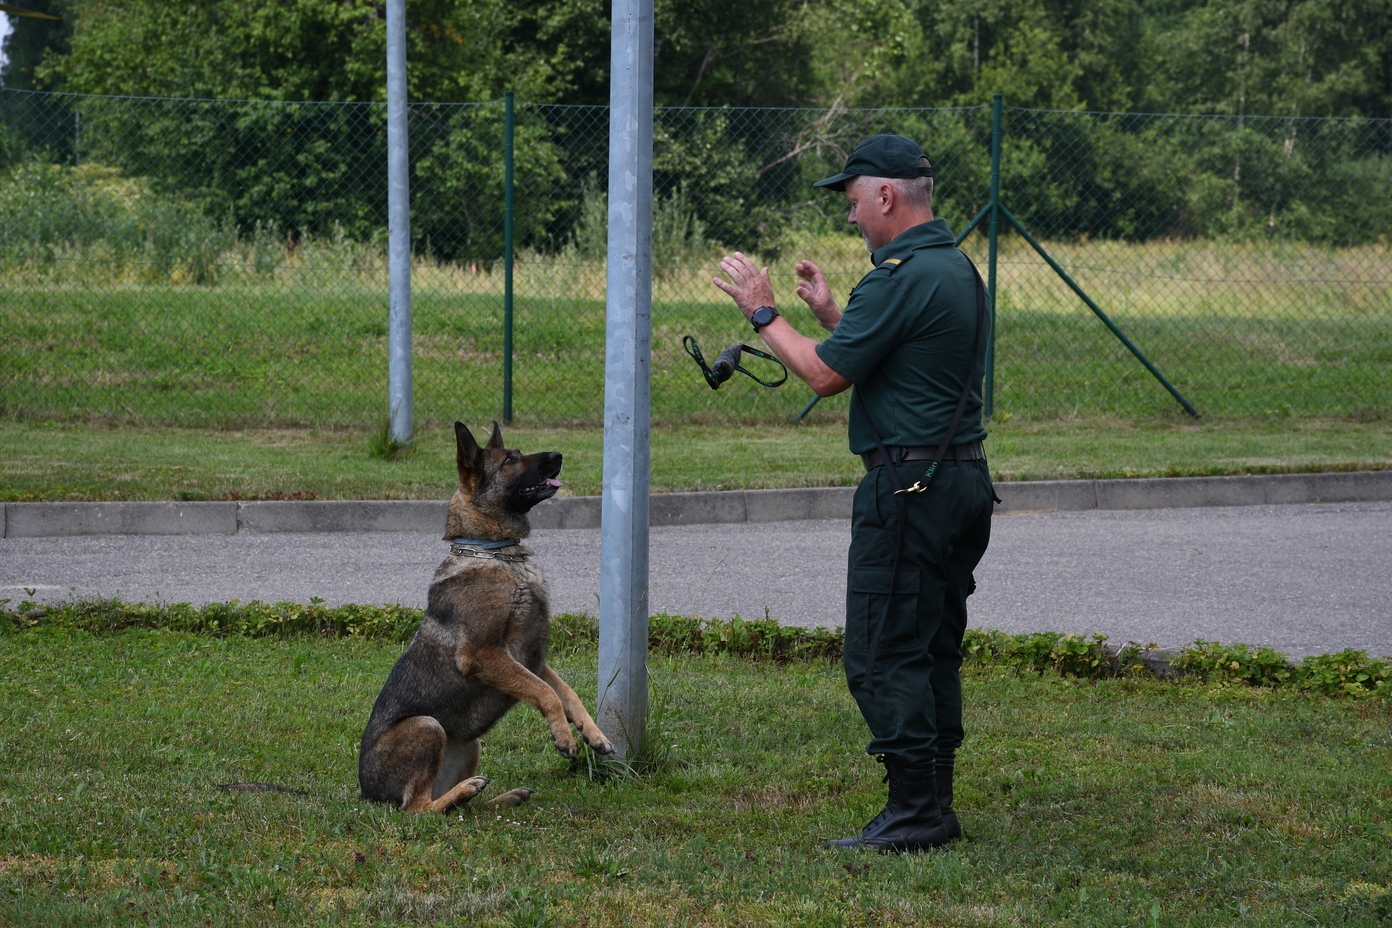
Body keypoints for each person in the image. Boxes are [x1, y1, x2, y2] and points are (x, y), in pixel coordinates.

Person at [712, 134, 996, 853]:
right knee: (931, 648)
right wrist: (835, 316)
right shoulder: (953, 267)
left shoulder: (899, 275)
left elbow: (822, 378)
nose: (850, 218)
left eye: (853, 201)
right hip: (959, 480)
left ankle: (915, 812)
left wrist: (763, 312)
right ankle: (935, 801)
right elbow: (895, 363)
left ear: (886, 196)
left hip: (906, 490)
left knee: (880, 653)